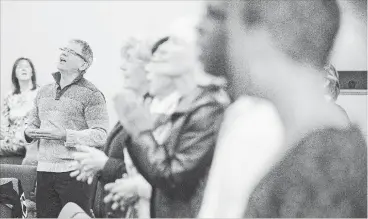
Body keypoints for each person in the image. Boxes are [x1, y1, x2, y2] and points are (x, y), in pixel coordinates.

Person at [198, 0, 366, 218]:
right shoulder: (328, 148)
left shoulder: (317, 168)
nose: (230, 52)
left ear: (260, 38)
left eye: (234, 34)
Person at [107, 33, 228, 218]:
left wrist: (139, 130)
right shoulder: (186, 107)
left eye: (159, 56)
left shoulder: (207, 108)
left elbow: (172, 179)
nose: (150, 67)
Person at [21, 39, 109, 218]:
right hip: (44, 170)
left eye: (71, 52)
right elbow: (32, 123)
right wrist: (28, 132)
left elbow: (101, 134)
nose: (64, 53)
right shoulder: (43, 91)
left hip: (75, 173)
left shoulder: (92, 94)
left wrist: (66, 135)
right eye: (63, 49)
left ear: (83, 64)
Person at [68, 37, 154, 218]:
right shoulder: (136, 107)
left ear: (150, 67)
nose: (122, 67)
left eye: (129, 59)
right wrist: (95, 165)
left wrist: (104, 164)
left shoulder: (154, 114)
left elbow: (155, 174)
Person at [1, 57, 39, 165]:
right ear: (15, 74)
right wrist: (6, 136)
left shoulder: (39, 93)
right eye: (19, 67)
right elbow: (4, 122)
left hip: (30, 140)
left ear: (32, 72)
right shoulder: (9, 96)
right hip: (11, 140)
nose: (23, 69)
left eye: (27, 66)